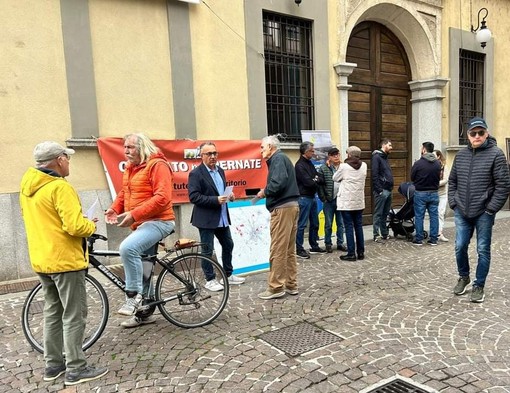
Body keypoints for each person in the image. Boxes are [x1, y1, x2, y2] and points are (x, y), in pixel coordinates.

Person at [20, 141, 108, 385]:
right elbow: (75, 226)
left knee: (52, 312)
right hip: (66, 261)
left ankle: (53, 366)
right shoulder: (59, 187)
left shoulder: (29, 187)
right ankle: (76, 369)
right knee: (74, 315)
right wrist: (90, 224)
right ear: (59, 160)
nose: (69, 162)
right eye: (67, 158)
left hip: (42, 259)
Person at [105, 133, 175, 327]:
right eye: (125, 147)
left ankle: (133, 295)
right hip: (142, 223)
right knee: (145, 268)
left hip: (160, 221)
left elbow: (163, 197)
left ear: (142, 147)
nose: (126, 151)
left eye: (130, 147)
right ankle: (145, 314)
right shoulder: (131, 168)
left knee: (128, 249)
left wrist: (134, 214)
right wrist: (114, 208)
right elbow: (125, 192)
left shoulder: (157, 165)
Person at [449, 117, 510, 303]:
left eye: (480, 133)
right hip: (462, 211)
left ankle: (479, 285)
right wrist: (453, 203)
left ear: (486, 134)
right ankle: (464, 277)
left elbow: (504, 185)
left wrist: (490, 209)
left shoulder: (496, 154)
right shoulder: (461, 155)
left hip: (484, 212)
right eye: (473, 133)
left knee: (482, 249)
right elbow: (452, 181)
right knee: (460, 246)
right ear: (468, 135)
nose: (477, 136)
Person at [188, 142, 246, 292]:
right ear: (201, 156)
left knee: (228, 244)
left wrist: (229, 195)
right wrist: (215, 200)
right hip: (206, 218)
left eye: (215, 153)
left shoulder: (220, 170)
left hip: (222, 217)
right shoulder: (196, 174)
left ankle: (227, 275)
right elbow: (193, 197)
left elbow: (221, 191)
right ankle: (210, 279)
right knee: (208, 250)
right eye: (209, 154)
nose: (213, 157)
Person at [256, 136, 300, 300]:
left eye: (262, 147)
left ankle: (276, 287)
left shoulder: (278, 158)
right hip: (290, 206)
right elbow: (280, 181)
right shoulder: (281, 158)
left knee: (278, 249)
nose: (261, 150)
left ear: (270, 146)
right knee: (288, 249)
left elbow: (278, 182)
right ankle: (291, 284)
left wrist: (265, 191)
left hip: (282, 208)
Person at [333, 146, 367, 261]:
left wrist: (338, 167)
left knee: (348, 227)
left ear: (349, 155)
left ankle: (351, 253)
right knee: (358, 226)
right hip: (358, 201)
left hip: (346, 202)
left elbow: (335, 178)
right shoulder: (364, 165)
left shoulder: (344, 167)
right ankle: (361, 252)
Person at [295, 141, 326, 259]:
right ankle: (299, 248)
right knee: (302, 224)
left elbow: (320, 178)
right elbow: (308, 182)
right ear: (305, 151)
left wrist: (315, 179)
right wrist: (315, 180)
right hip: (304, 197)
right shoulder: (299, 165)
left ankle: (314, 245)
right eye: (312, 151)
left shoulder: (309, 163)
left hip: (312, 197)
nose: (313, 153)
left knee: (315, 223)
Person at [410, 142, 441, 246]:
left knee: (419, 216)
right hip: (434, 193)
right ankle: (433, 239)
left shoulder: (418, 163)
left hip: (421, 193)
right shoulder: (437, 163)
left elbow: (412, 177)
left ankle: (418, 239)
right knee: (434, 216)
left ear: (424, 150)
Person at [317, 147, 347, 253]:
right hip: (329, 200)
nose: (336, 157)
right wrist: (323, 198)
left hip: (340, 199)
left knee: (340, 223)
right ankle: (328, 244)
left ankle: (340, 243)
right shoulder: (323, 168)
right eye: (333, 155)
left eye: (337, 154)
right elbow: (319, 185)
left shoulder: (343, 167)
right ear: (329, 157)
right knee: (328, 224)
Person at [371, 139, 394, 242]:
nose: (391, 147)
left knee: (385, 213)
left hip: (388, 190)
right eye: (389, 145)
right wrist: (379, 190)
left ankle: (384, 233)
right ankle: (376, 235)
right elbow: (374, 175)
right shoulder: (377, 157)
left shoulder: (384, 157)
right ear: (384, 145)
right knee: (378, 213)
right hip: (382, 190)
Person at [433, 149, 449, 242]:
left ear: (438, 156)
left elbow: (446, 179)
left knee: (441, 213)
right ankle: (434, 232)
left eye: (434, 155)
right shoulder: (431, 166)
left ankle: (440, 233)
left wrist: (435, 183)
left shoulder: (444, 167)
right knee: (433, 213)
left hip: (442, 193)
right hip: (432, 192)